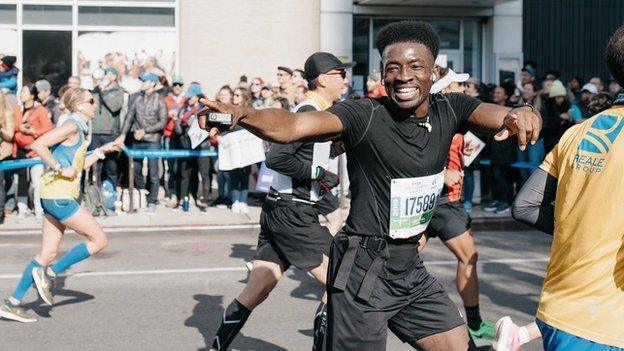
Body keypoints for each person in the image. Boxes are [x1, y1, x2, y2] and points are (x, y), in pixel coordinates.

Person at [200, 20, 540, 351]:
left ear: (433, 73)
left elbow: (498, 114)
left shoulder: (452, 108)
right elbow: (291, 126)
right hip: (362, 269)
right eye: (392, 68)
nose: (403, 76)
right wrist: (242, 115)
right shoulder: (363, 114)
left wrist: (522, 113)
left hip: (410, 268)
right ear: (382, 75)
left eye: (414, 66)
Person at [205, 52, 351, 351]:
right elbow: (277, 158)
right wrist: (318, 172)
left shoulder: (323, 111)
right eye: (340, 74)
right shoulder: (307, 112)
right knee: (341, 286)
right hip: (293, 213)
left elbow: (310, 154)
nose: (345, 79)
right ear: (323, 79)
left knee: (256, 290)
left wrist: (331, 155)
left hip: (282, 210)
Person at [494, 26, 624, 351]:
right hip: (607, 323)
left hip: (557, 312)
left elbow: (524, 205)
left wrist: (585, 230)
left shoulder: (578, 132)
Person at [0, 87, 118, 323]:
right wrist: (57, 166)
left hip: (53, 194)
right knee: (98, 240)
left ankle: (12, 303)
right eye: (91, 100)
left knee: (47, 252)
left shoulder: (80, 128)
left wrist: (102, 152)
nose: (95, 104)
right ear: (79, 105)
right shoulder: (72, 125)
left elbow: (78, 165)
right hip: (59, 196)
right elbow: (39, 144)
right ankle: (51, 273)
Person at [424, 68, 495, 341]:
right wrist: (443, 173)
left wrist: (464, 150)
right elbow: (412, 157)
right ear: (443, 89)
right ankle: (474, 325)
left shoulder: (451, 117)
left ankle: (370, 312)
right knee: (469, 257)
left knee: (401, 262)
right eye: (458, 85)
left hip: (440, 203)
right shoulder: (434, 118)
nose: (464, 90)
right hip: (441, 202)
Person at [115, 72, 167, 213]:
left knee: (154, 172)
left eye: (144, 81)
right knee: (135, 169)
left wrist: (145, 130)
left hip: (153, 141)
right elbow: (129, 118)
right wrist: (123, 135)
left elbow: (162, 122)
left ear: (152, 83)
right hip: (138, 141)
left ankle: (152, 201)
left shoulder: (159, 100)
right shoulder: (137, 99)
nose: (142, 83)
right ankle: (142, 192)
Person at [11, 84, 53, 219]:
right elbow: (13, 125)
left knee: (37, 180)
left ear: (32, 95)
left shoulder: (40, 110)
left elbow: (47, 129)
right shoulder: (17, 109)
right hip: (20, 149)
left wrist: (33, 131)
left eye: (24, 91)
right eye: (21, 91)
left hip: (36, 150)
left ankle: (39, 209)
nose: (21, 94)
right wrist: (20, 128)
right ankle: (22, 208)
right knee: (22, 179)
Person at [483, 86, 516, 214]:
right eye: (494, 92)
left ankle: (505, 202)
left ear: (506, 96)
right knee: (494, 176)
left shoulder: (512, 110)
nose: (495, 94)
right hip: (493, 149)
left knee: (503, 177)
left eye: (499, 92)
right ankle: (497, 199)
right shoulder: (491, 107)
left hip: (506, 149)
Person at [90, 67, 124, 187]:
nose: (105, 77)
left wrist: (103, 91)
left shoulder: (118, 91)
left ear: (114, 77)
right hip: (95, 132)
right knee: (95, 165)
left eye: (108, 74)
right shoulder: (95, 91)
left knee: (111, 166)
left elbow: (114, 107)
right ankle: (96, 194)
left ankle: (112, 192)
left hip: (110, 132)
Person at [229, 87, 253, 214]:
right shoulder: (230, 110)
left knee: (245, 175)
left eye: (237, 95)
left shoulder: (250, 111)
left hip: (246, 148)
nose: (234, 97)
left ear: (244, 97)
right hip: (233, 147)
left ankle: (243, 201)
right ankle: (235, 201)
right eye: (234, 94)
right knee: (234, 175)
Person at [516, 82, 546, 183]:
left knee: (533, 168)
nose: (526, 91)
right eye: (524, 89)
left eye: (529, 89)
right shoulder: (517, 104)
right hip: (521, 140)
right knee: (522, 169)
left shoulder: (541, 105)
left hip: (535, 141)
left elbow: (544, 123)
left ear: (534, 93)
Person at [163, 76, 186, 202]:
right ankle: (172, 193)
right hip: (169, 135)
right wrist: (167, 115)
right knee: (171, 167)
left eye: (180, 84)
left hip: (182, 136)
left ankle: (183, 194)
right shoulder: (166, 99)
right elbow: (160, 115)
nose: (177, 87)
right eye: (175, 84)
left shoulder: (186, 100)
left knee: (183, 168)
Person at [211, 85, 234, 208]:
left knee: (228, 173)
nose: (223, 96)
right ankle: (221, 196)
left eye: (226, 94)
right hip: (217, 146)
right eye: (221, 94)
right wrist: (216, 138)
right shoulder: (215, 109)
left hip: (230, 147)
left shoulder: (235, 110)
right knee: (219, 173)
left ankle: (229, 197)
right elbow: (210, 127)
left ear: (231, 96)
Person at [0, 89, 15, 225]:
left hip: (2, 154)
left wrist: (0, 127)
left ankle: (1, 212)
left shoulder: (7, 112)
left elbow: (10, 135)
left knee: (0, 184)